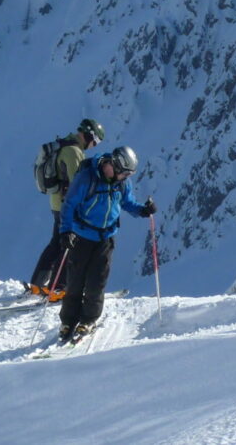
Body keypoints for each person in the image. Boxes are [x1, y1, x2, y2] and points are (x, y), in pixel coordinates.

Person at [58, 145, 156, 340]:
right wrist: (66, 231)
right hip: (82, 235)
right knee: (75, 279)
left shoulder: (121, 183)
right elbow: (69, 204)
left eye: (128, 174)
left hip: (106, 238)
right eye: (124, 173)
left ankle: (88, 320)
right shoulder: (87, 178)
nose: (125, 177)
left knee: (97, 281)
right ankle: (68, 320)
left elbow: (127, 202)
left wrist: (143, 210)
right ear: (114, 165)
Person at [27, 118, 105, 298]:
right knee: (68, 245)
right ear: (90, 135)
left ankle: (37, 284)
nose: (94, 145)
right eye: (96, 141)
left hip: (56, 203)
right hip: (67, 206)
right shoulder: (74, 152)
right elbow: (77, 183)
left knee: (56, 243)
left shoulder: (63, 144)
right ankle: (58, 288)